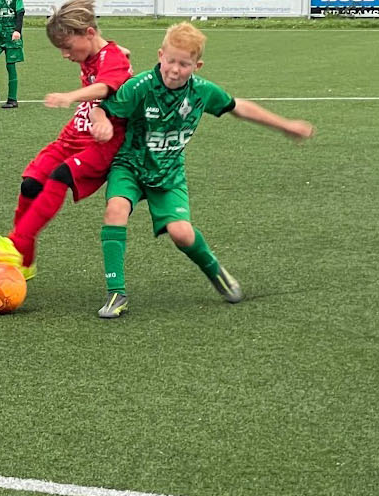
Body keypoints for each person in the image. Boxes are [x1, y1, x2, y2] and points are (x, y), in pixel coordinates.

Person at [91, 22, 314, 318]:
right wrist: (101, 122)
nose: (174, 70)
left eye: (184, 64)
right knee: (115, 209)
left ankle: (215, 270)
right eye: (170, 61)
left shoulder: (201, 92)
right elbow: (101, 108)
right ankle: (116, 292)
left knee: (182, 234)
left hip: (168, 174)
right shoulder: (140, 86)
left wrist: (285, 125)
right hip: (129, 166)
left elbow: (238, 107)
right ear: (160, 55)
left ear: (197, 66)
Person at [0, 0, 131, 280]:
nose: (65, 55)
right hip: (73, 135)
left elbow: (106, 86)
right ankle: (24, 261)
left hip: (101, 142)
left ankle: (15, 244)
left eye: (67, 47)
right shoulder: (96, 52)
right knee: (31, 183)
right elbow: (115, 58)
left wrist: (70, 96)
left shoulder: (111, 57)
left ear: (88, 33)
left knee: (60, 176)